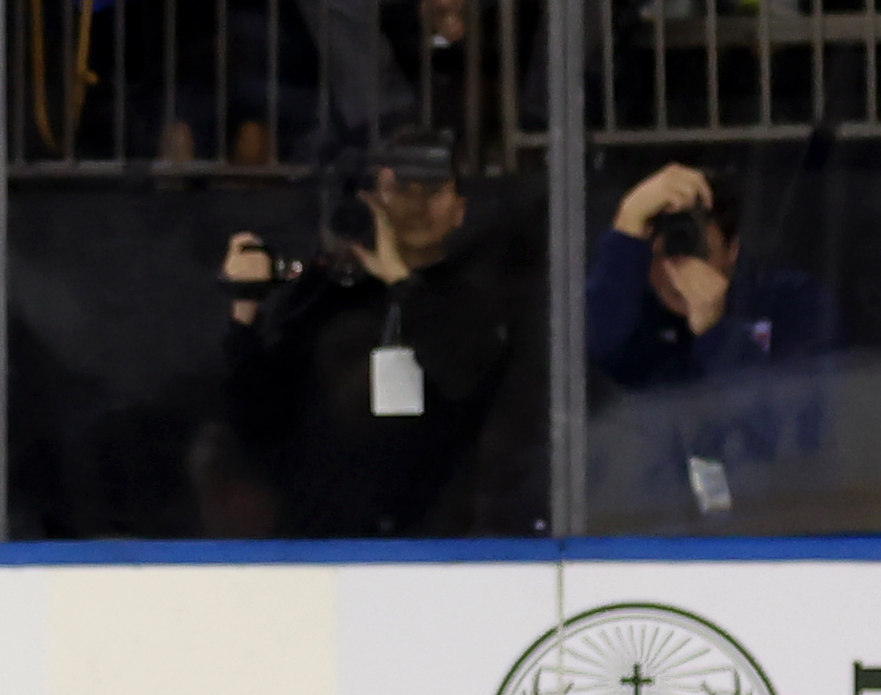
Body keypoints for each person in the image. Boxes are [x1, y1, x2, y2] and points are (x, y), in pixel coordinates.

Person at [214, 131, 530, 537]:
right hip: (323, 550)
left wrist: (398, 277)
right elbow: (256, 423)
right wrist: (245, 309)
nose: (416, 205)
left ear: (460, 211)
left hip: (438, 554)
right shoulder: (323, 297)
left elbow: (462, 371)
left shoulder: (476, 301)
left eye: (433, 191)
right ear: (373, 199)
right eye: (402, 188)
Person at [584, 161, 838, 392]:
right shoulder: (630, 314)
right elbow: (596, 347)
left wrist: (717, 333)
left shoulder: (791, 303)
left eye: (696, 250)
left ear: (732, 250)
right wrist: (628, 223)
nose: (678, 271)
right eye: (666, 252)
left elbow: (789, 417)